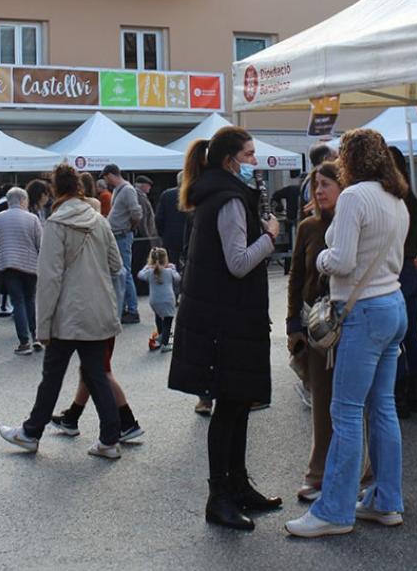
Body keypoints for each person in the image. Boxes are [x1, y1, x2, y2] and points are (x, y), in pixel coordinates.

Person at [286, 128, 409, 538]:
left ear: (349, 159)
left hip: (363, 311)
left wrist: (320, 257)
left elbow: (340, 260)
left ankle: (334, 510)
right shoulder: (396, 198)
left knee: (346, 411)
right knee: (383, 408)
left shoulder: (355, 197)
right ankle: (384, 500)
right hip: (392, 306)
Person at [168, 126, 281, 532]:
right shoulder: (229, 200)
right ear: (230, 160)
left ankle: (237, 485)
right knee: (229, 407)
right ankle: (220, 496)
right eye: (249, 155)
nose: (255, 161)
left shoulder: (220, 193)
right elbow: (237, 262)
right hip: (225, 320)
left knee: (237, 403)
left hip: (224, 317)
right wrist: (269, 238)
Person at [0, 164, 126, 460]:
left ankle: (31, 433)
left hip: (67, 314)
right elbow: (117, 265)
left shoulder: (56, 224)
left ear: (56, 190)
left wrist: (42, 326)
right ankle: (110, 439)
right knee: (96, 373)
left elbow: (49, 278)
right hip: (97, 310)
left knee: (53, 375)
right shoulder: (99, 221)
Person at [286, 159, 342, 502]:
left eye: (326, 184)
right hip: (315, 325)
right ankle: (317, 471)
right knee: (321, 399)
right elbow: (295, 276)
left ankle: (362, 473)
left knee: (353, 404)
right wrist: (293, 323)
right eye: (315, 185)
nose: (319, 191)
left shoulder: (357, 221)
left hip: (352, 320)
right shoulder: (308, 227)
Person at [389, 146, 417, 417]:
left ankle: (401, 394)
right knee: (410, 337)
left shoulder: (392, 198)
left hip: (396, 271)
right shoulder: (411, 197)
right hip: (411, 270)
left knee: (394, 340)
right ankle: (415, 394)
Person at [0, 187, 43, 355]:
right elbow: (42, 244)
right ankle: (36, 337)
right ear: (23, 200)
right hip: (31, 266)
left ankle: (24, 342)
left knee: (17, 302)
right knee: (30, 300)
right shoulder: (33, 219)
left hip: (8, 265)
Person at [102, 164, 143, 324]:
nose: (106, 181)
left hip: (122, 235)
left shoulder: (127, 190)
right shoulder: (120, 190)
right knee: (122, 272)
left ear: (111, 175)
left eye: (106, 178)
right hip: (118, 235)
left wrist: (129, 227)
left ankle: (132, 310)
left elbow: (136, 213)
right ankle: (127, 308)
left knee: (124, 273)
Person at [139, 247, 179, 351]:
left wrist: (147, 267)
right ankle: (164, 343)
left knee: (159, 317)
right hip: (168, 300)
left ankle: (160, 336)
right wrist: (173, 268)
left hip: (154, 301)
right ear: (165, 259)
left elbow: (140, 275)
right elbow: (178, 278)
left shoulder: (150, 272)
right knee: (168, 321)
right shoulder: (169, 271)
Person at [154, 172, 187, 272]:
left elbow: (159, 218)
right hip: (189, 237)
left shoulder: (166, 195)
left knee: (171, 267)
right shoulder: (195, 194)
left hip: (170, 237)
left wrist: (162, 233)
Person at [298, 143, 336, 222]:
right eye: (335, 157)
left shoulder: (309, 179)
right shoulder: (313, 180)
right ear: (326, 159)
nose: (318, 191)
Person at [133, 175, 159, 241]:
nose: (150, 187)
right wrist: (146, 236)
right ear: (142, 186)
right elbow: (143, 218)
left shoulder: (141, 196)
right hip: (144, 235)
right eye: (148, 185)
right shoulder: (140, 197)